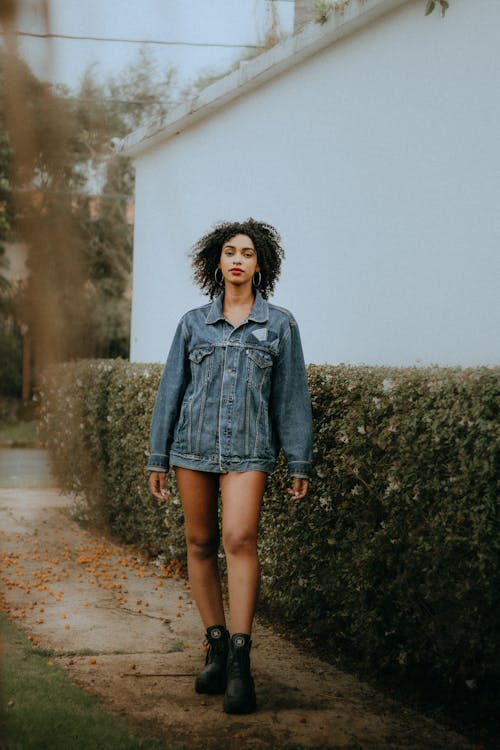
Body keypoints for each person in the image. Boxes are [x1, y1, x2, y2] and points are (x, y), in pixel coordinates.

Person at [148, 218, 313, 714]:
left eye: (247, 253)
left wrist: (298, 460)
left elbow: (291, 399)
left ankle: (241, 661)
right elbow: (171, 392)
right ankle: (215, 647)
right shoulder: (192, 324)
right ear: (217, 262)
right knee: (199, 544)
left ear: (260, 264)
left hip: (249, 451)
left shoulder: (279, 324)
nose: (237, 259)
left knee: (239, 540)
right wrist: (158, 455)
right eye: (229, 252)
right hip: (191, 450)